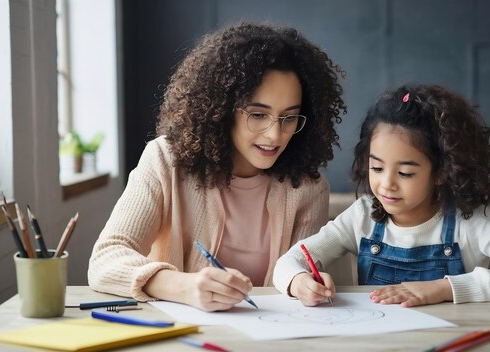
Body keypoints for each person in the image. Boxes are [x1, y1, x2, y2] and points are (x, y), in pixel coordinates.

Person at [88, 22, 346, 312]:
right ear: (222, 109)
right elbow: (105, 260)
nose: (275, 135)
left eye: (289, 118)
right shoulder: (164, 160)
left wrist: (305, 284)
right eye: (258, 114)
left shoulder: (308, 187)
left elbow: (298, 279)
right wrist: (184, 286)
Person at [273, 84, 490, 307]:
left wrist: (443, 289)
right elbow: (288, 262)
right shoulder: (362, 216)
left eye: (406, 173)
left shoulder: (469, 222)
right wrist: (298, 282)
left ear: (442, 171)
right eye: (377, 168)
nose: (386, 185)